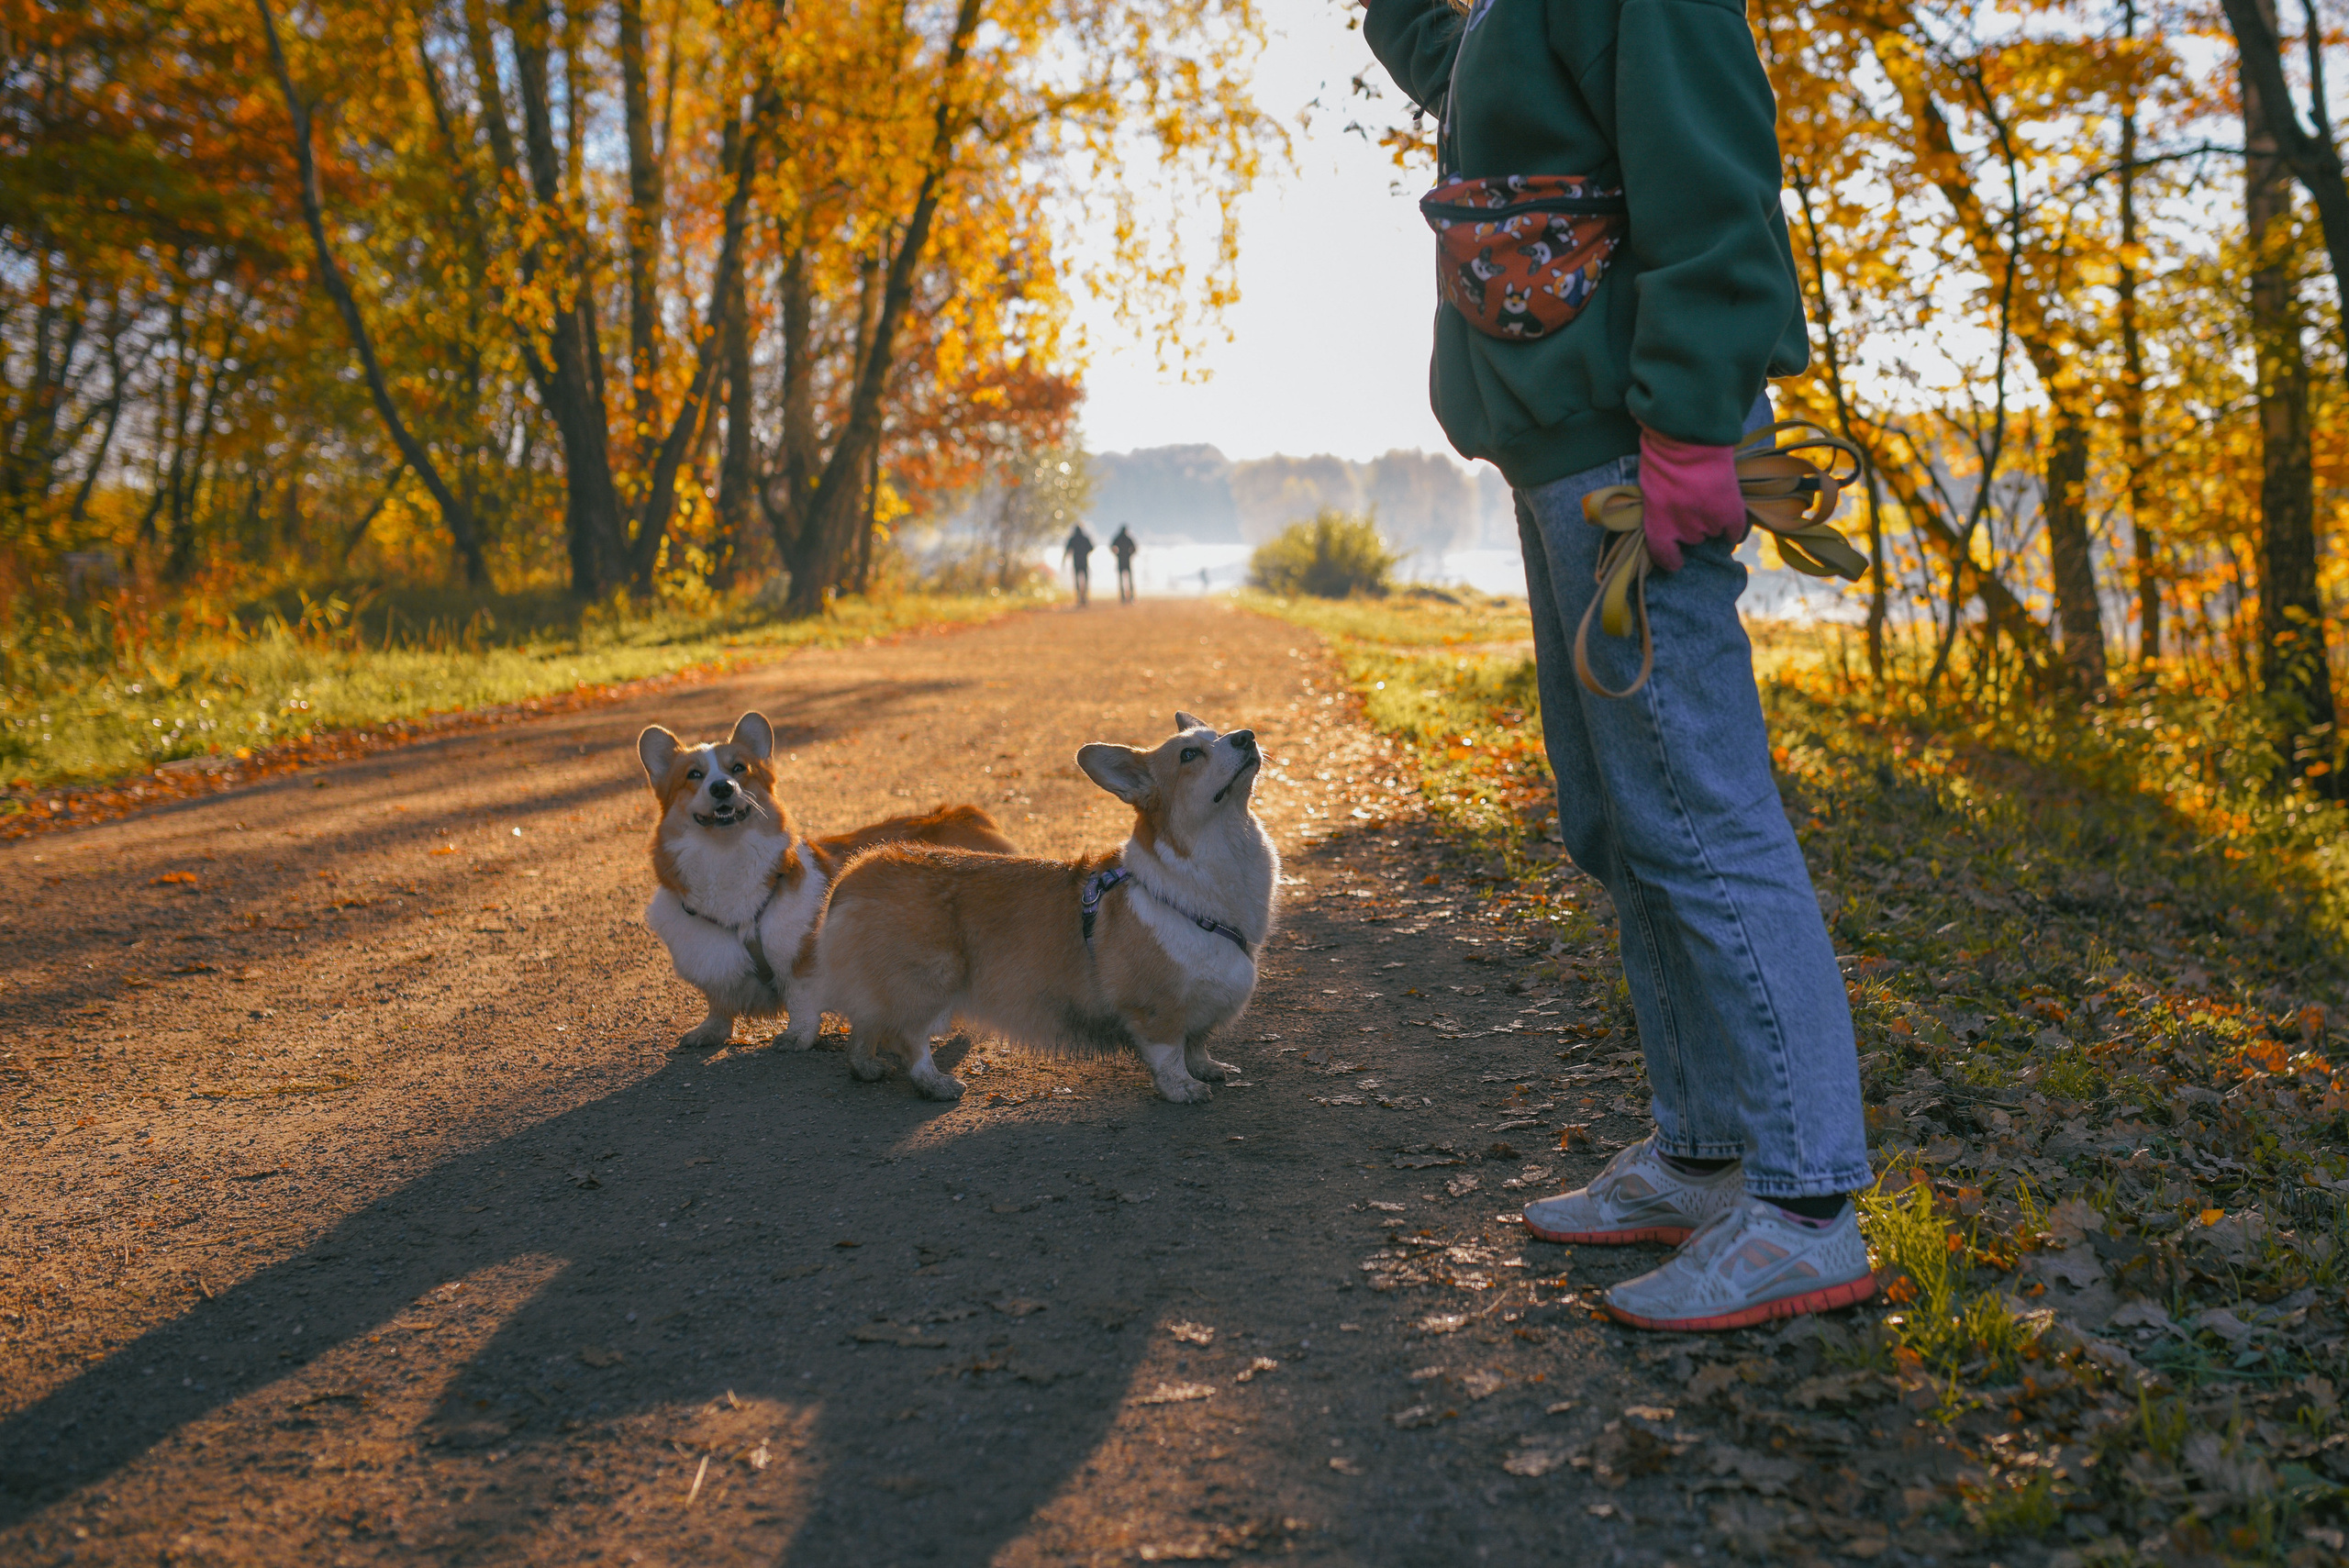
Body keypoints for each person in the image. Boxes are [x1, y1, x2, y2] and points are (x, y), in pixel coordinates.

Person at [1361, 0, 1873, 1330]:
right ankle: (1704, 1155)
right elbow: (1456, 65)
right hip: (1562, 455)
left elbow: (1717, 194)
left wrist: (1694, 429)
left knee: (1698, 812)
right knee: (1622, 817)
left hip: (1638, 448)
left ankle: (1805, 1206)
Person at [1061, 524, 1095, 606]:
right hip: (1084, 562)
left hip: (1076, 562)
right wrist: (1085, 552)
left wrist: (1064, 561)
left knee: (1077, 581)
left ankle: (1079, 597)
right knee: (1085, 580)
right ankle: (1085, 597)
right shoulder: (1085, 538)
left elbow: (1067, 550)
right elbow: (1091, 548)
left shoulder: (1073, 539)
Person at [1109, 525, 1140, 604]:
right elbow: (1135, 548)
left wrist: (1117, 554)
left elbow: (1111, 546)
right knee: (1129, 580)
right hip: (1127, 561)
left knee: (1121, 580)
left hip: (1120, 561)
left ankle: (1123, 597)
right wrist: (1129, 554)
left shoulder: (1118, 538)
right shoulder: (1128, 538)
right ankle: (1131, 596)